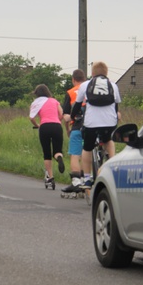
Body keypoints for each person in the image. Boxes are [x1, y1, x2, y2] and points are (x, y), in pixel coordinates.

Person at [71, 61, 121, 189]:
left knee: (87, 148)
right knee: (108, 140)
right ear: (106, 73)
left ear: (92, 73)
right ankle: (112, 167)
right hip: (109, 123)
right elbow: (116, 106)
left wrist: (73, 117)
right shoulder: (113, 86)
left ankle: (87, 179)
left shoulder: (85, 85)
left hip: (91, 123)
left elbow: (77, 105)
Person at [29, 84, 65, 190]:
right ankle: (59, 158)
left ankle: (51, 177)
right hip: (57, 126)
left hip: (44, 127)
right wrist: (57, 120)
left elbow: (31, 117)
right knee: (57, 151)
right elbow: (61, 113)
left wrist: (37, 125)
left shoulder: (36, 103)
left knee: (47, 153)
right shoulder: (54, 101)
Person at [60, 69, 87, 197]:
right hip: (93, 125)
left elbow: (65, 115)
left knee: (75, 154)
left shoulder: (70, 93)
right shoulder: (91, 88)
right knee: (87, 153)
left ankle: (76, 181)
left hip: (77, 126)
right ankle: (87, 179)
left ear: (73, 80)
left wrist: (67, 128)